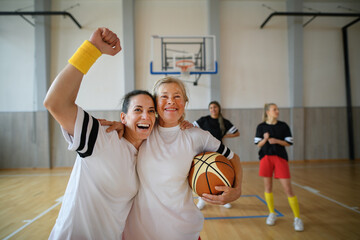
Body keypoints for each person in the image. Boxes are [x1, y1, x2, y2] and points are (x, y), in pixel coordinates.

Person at [44, 28, 156, 239]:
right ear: (123, 118)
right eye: (138, 110)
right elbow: (55, 102)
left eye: (151, 111)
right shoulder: (102, 137)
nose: (145, 116)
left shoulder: (148, 151)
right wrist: (91, 50)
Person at [114, 77, 242, 240]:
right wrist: (121, 125)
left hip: (183, 231)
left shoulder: (198, 136)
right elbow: (128, 123)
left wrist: (237, 190)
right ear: (155, 102)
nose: (171, 101)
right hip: (139, 233)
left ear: (185, 102)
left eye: (177, 96)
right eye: (164, 96)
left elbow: (234, 158)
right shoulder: (144, 131)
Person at [254, 103, 304, 232]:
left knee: (288, 189)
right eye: (274, 109)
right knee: (268, 188)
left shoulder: (283, 126)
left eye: (277, 109)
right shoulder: (261, 127)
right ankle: (272, 213)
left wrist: (276, 141)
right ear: (268, 112)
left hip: (280, 158)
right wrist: (265, 140)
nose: (277, 111)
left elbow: (289, 142)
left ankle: (297, 218)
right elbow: (258, 144)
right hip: (265, 158)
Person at [193, 100, 240, 209]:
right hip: (204, 152)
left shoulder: (224, 122)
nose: (213, 109)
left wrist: (226, 136)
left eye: (215, 107)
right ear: (209, 110)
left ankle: (224, 198)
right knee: (203, 176)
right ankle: (201, 200)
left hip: (219, 151)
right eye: (211, 108)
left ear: (218, 109)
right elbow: (191, 127)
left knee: (223, 174)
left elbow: (237, 132)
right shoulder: (204, 120)